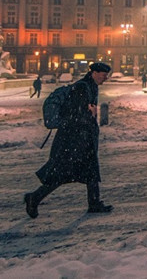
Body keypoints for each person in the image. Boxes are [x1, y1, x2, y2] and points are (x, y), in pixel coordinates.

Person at [24, 62, 113, 218]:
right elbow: (76, 114)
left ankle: (94, 203)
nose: (106, 79)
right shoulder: (82, 88)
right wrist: (89, 113)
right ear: (94, 73)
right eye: (104, 75)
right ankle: (34, 197)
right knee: (62, 173)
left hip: (82, 137)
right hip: (73, 139)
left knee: (91, 171)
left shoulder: (91, 87)